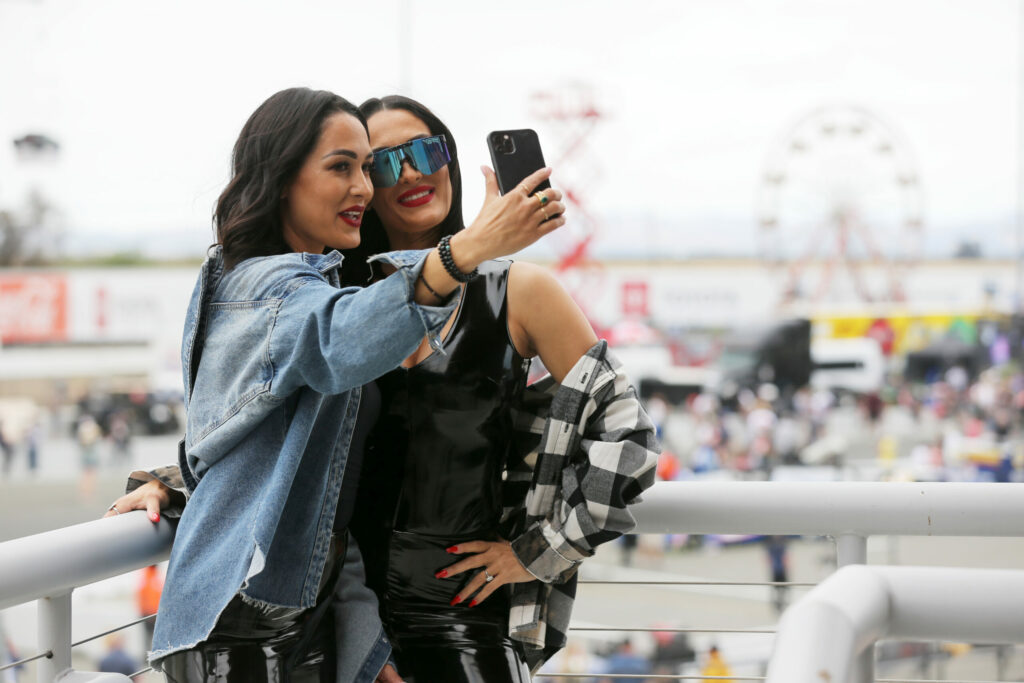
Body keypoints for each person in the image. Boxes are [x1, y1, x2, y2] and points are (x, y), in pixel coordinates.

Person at [111, 94, 658, 681]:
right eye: (383, 163)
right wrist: (173, 485)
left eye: (428, 150)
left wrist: (535, 553)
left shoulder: (519, 293)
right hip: (341, 625)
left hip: (463, 619)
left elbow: (627, 438)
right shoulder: (328, 302)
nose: (413, 172)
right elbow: (280, 434)